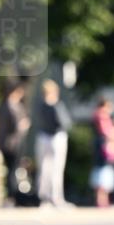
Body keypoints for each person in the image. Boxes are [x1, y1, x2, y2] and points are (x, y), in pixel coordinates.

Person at [35, 79, 72, 207]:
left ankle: (44, 198)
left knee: (44, 168)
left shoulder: (40, 105)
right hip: (56, 137)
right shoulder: (56, 105)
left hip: (43, 137)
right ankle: (56, 197)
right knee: (56, 168)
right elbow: (65, 123)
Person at [0, 79, 30, 204]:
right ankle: (11, 196)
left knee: (9, 169)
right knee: (12, 170)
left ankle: (9, 195)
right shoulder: (13, 107)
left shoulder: (2, 105)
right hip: (13, 143)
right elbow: (17, 126)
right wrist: (24, 124)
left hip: (3, 142)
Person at [90, 97, 114, 207]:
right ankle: (102, 200)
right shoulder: (102, 115)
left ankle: (102, 200)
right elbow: (107, 131)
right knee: (103, 173)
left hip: (100, 147)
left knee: (101, 172)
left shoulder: (97, 115)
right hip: (103, 148)